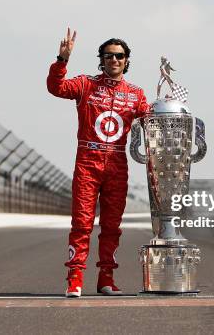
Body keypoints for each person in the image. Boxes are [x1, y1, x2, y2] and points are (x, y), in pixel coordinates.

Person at [46, 28, 149, 297]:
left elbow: (152, 123)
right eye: (108, 55)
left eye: (119, 56)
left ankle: (106, 278)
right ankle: (75, 278)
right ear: (101, 59)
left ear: (127, 60)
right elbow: (56, 87)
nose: (114, 59)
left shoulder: (137, 95)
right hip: (87, 163)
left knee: (112, 226)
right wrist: (62, 60)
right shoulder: (85, 84)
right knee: (82, 223)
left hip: (117, 163)